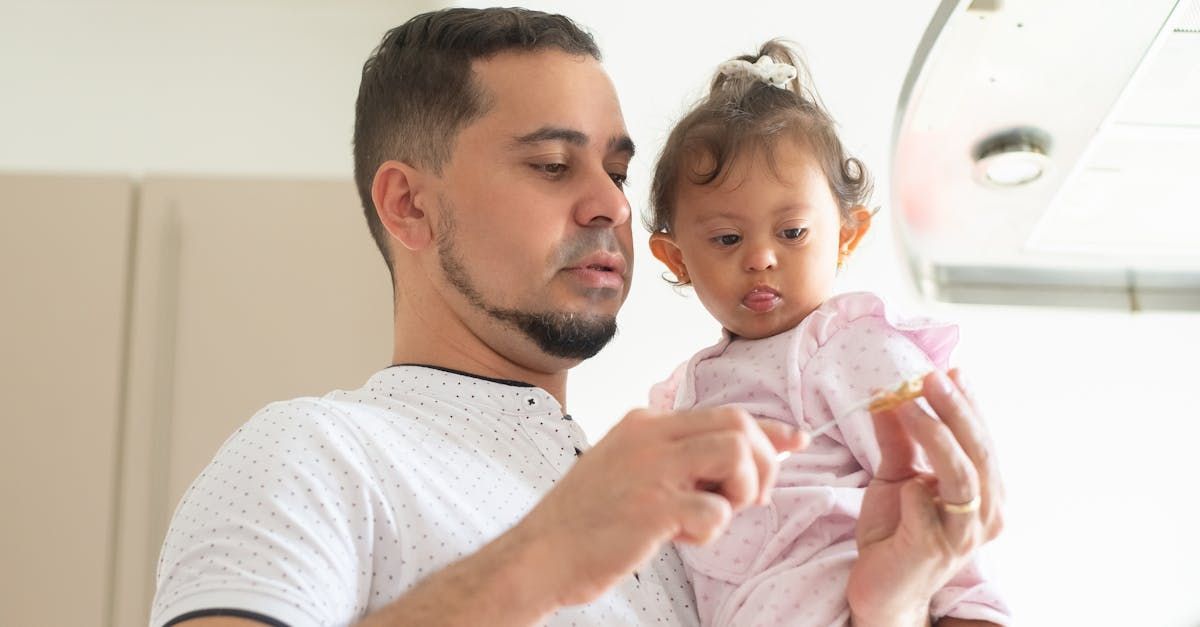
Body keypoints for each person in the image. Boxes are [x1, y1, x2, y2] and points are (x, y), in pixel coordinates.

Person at [151, 8, 1005, 627]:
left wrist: (889, 604)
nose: (610, 205)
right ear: (409, 206)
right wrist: (542, 559)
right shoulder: (312, 456)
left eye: (619, 173)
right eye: (554, 164)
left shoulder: (681, 527)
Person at [643, 40, 1010, 626]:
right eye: (727, 239)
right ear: (675, 257)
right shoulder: (679, 395)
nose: (761, 258)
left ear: (845, 235)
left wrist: (970, 609)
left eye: (791, 232)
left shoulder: (847, 345)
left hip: (840, 591)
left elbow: (936, 492)